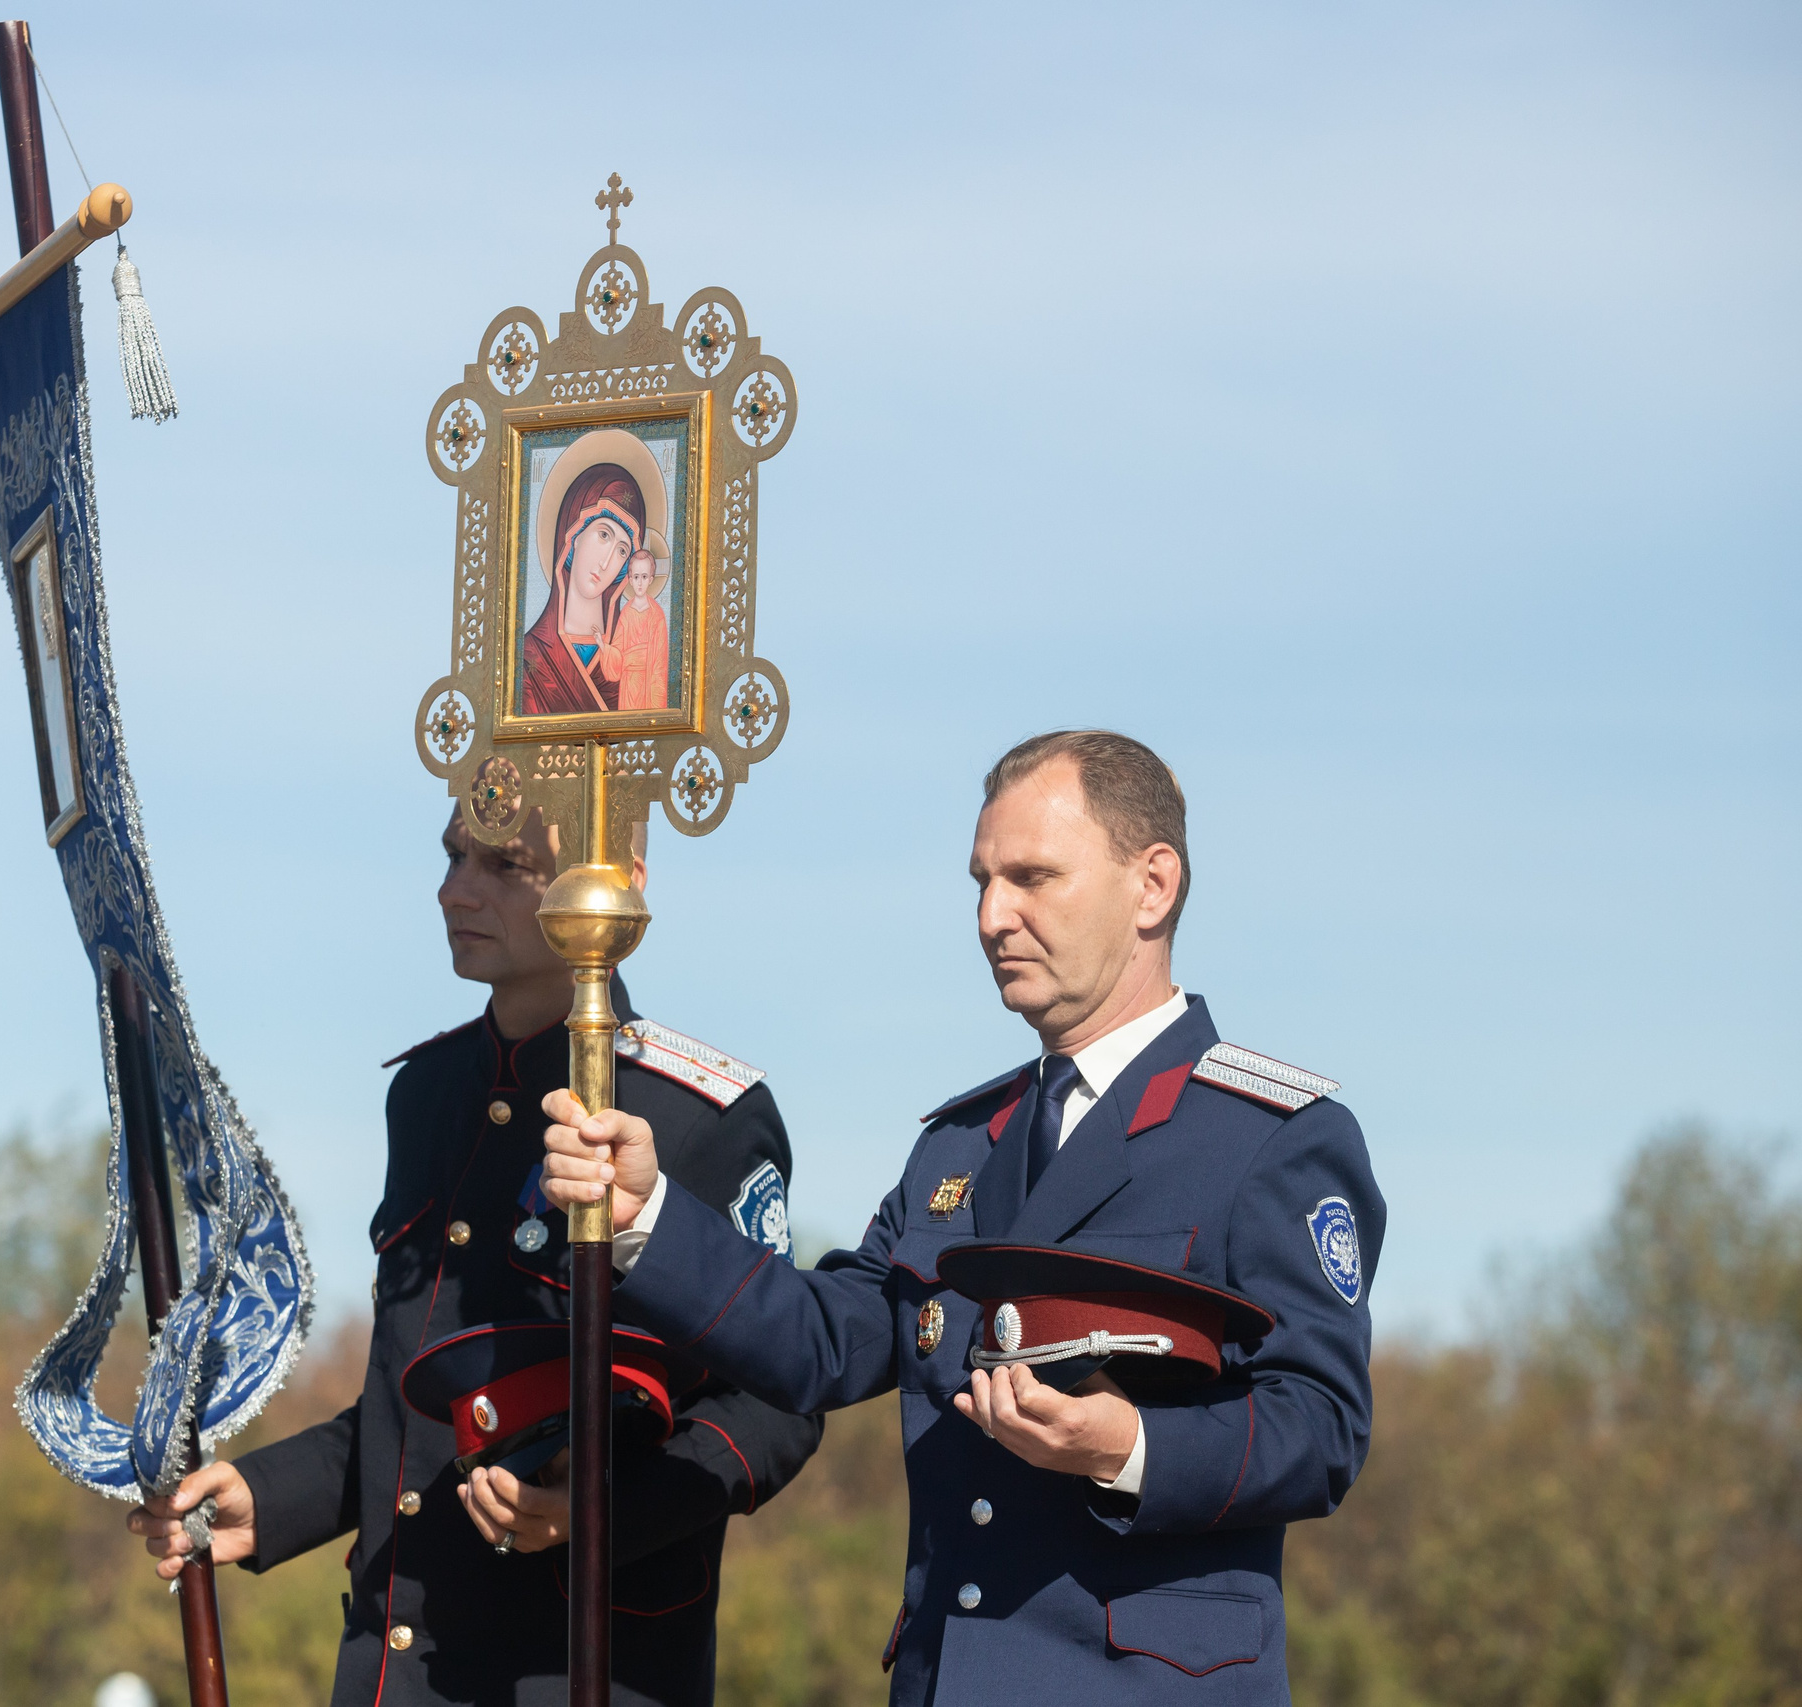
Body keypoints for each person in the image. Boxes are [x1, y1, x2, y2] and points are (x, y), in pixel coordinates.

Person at [541, 730, 1386, 1704]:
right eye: (982, 881)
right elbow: (824, 1342)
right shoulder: (961, 1145)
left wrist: (1126, 1448)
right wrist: (647, 1212)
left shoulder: (1269, 1138)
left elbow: (1320, 1427)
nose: (992, 917)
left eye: (1033, 877)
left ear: (1153, 886)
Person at [128, 805, 821, 1707]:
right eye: (454, 855)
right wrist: (272, 1494)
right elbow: (420, 1404)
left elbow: (778, 1401)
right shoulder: (425, 1093)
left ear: (616, 885)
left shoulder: (699, 1114)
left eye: (502, 864)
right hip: (396, 1673)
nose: (454, 891)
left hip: (578, 1671)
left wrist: (601, 1512)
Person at [519, 428, 672, 718]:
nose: (607, 562)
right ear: (573, 535)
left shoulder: (629, 656)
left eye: (622, 551)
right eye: (603, 535)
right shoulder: (528, 660)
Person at [599, 551, 671, 712]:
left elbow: (660, 662)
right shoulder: (626, 613)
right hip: (628, 684)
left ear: (651, 579)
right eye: (636, 577)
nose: (640, 582)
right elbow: (617, 653)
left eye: (644, 577)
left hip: (648, 683)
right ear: (630, 580)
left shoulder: (657, 614)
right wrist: (604, 648)